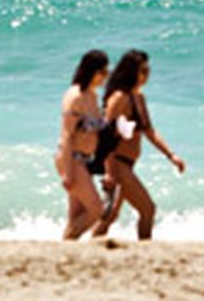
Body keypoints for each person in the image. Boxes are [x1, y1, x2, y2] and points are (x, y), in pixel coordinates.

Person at [92, 49, 185, 241]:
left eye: (148, 70)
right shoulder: (119, 98)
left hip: (128, 163)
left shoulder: (138, 98)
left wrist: (171, 155)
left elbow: (149, 131)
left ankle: (89, 248)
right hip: (117, 163)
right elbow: (105, 134)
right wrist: (109, 171)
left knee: (110, 216)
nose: (146, 75)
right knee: (147, 209)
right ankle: (145, 248)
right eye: (143, 71)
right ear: (131, 72)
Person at [56, 49, 109, 240]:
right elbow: (67, 135)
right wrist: (67, 173)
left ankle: (66, 248)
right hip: (72, 158)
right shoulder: (75, 96)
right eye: (103, 72)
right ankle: (65, 244)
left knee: (76, 217)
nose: (105, 77)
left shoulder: (92, 96)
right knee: (96, 209)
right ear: (91, 71)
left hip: (86, 160)